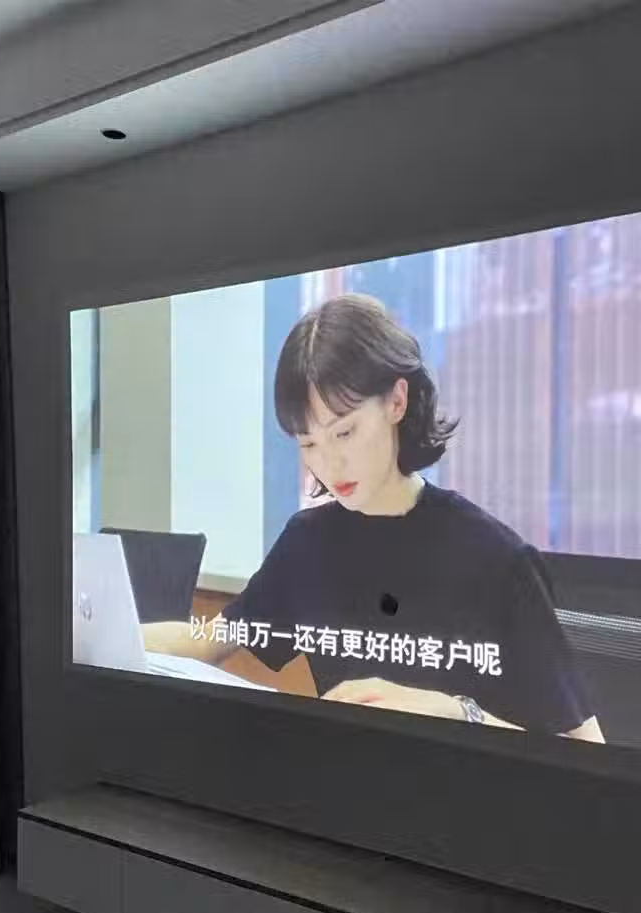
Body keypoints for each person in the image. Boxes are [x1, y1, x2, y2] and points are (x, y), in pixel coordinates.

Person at [144, 293, 604, 742]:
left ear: (396, 402)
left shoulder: (494, 557)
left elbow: (585, 749)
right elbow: (210, 639)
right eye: (309, 443)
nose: (329, 463)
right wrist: (112, 633)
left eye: (344, 432)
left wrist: (455, 712)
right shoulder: (308, 543)